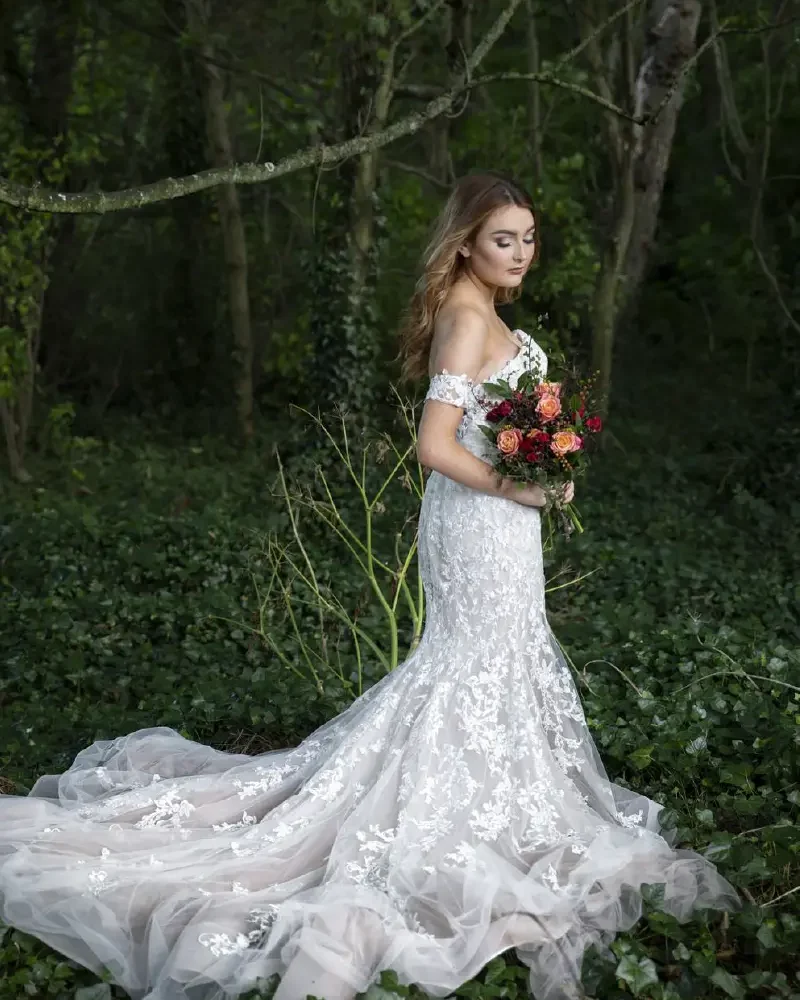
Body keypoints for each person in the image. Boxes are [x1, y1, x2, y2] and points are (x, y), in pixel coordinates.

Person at [0, 171, 739, 1000]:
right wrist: (523, 485)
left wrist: (541, 456)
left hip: (498, 525)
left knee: (501, 656)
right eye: (505, 240)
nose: (523, 254)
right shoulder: (465, 318)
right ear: (465, 243)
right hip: (478, 520)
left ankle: (501, 797)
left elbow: (490, 429)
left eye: (529, 239)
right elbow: (433, 445)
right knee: (471, 662)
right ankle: (451, 814)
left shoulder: (486, 311)